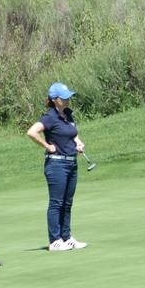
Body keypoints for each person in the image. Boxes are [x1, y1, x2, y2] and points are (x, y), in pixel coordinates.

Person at [26, 82, 88, 251]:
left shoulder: (68, 115)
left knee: (67, 203)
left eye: (68, 96)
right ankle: (55, 241)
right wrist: (47, 145)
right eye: (64, 97)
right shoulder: (50, 117)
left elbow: (72, 134)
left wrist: (78, 143)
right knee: (56, 203)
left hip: (71, 163)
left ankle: (67, 238)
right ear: (55, 100)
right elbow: (32, 132)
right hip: (56, 165)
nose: (67, 100)